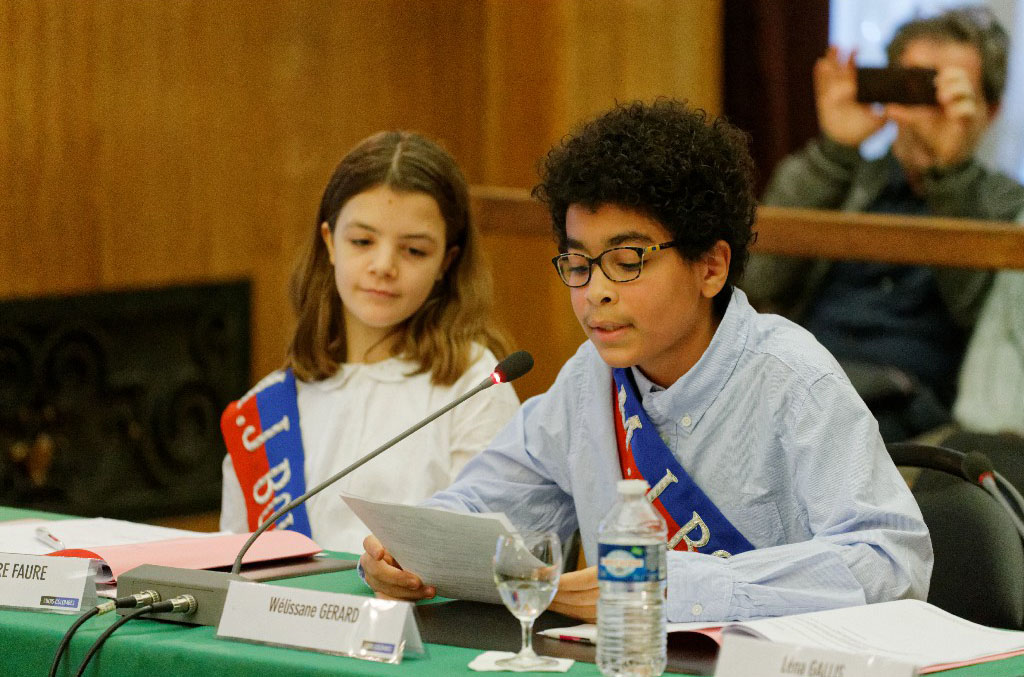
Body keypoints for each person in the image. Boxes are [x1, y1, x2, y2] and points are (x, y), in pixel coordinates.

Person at [359, 100, 932, 623]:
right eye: (578, 265)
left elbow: (892, 561)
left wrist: (674, 586)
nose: (596, 292)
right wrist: (409, 549)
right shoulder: (588, 380)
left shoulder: (794, 379)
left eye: (627, 260)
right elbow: (488, 508)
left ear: (710, 267)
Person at [219, 131, 520, 553]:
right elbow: (236, 565)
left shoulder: (474, 384)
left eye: (414, 251)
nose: (383, 266)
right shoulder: (264, 413)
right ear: (329, 242)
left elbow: (489, 550)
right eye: (362, 242)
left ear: (446, 262)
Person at [742, 7, 1024, 442]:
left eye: (946, 92)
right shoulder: (841, 176)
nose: (927, 107)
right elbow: (759, 281)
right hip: (801, 379)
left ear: (992, 108)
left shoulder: (1007, 205)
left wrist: (950, 175)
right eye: (914, 86)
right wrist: (835, 152)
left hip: (913, 411)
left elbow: (981, 320)